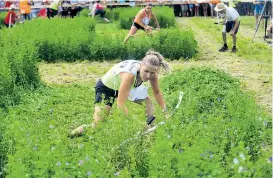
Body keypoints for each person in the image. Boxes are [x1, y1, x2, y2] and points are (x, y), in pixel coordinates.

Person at [70, 49, 170, 137]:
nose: (148, 75)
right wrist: (138, 123)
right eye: (146, 71)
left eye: (152, 72)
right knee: (96, 126)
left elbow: (157, 93)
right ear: (140, 66)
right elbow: (120, 105)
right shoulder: (129, 75)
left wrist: (166, 112)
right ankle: (71, 135)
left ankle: (151, 130)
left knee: (147, 101)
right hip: (106, 88)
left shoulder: (153, 74)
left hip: (122, 88)